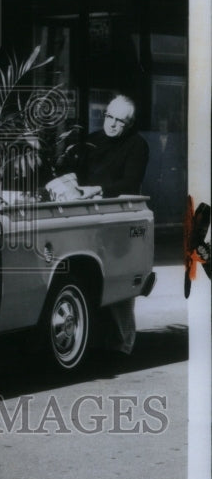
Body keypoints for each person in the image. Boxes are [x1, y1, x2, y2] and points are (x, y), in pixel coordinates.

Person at [77, 94, 150, 354]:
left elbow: (130, 183)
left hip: (118, 216)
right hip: (87, 215)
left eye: (120, 121)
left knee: (119, 282)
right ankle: (96, 341)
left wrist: (96, 189)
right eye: (110, 117)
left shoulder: (137, 145)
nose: (113, 124)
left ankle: (123, 345)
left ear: (129, 124)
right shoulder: (93, 140)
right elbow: (78, 172)